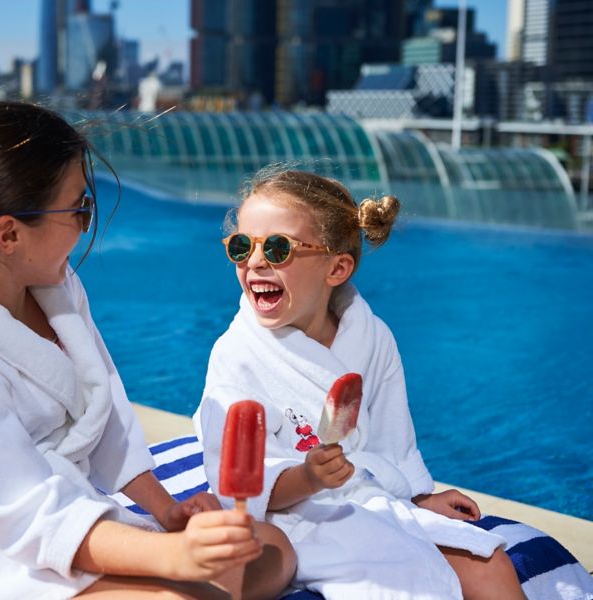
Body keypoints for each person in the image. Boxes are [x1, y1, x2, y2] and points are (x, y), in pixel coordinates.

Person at [0, 101, 296, 600]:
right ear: (9, 234)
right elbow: (29, 515)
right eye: (79, 208)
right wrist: (175, 556)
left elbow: (104, 408)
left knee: (271, 549)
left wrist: (168, 512)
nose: (87, 223)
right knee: (185, 594)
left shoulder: (56, 286)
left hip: (74, 512)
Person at [194, 168, 526, 599]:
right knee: (394, 582)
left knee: (488, 562)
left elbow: (392, 438)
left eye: (277, 248)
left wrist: (417, 497)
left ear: (337, 268)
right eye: (242, 246)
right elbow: (241, 487)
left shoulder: (371, 337)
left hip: (370, 496)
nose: (255, 262)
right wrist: (308, 478)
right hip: (295, 516)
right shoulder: (237, 354)